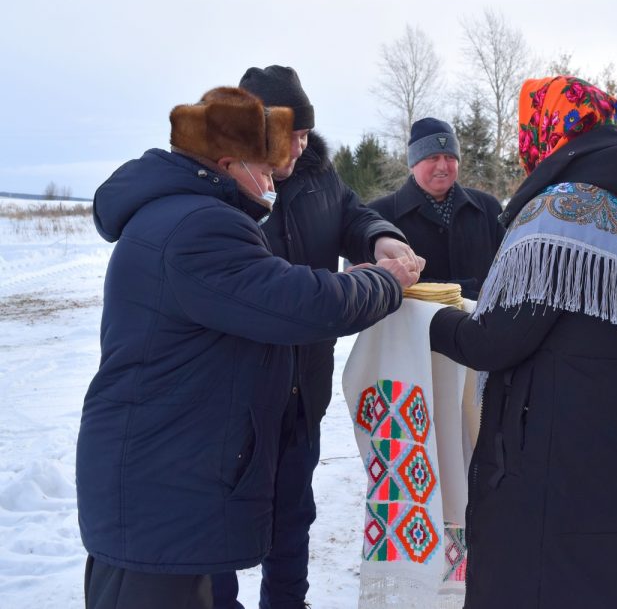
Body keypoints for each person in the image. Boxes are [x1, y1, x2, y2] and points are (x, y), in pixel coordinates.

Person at [77, 85, 420, 609]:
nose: (272, 181)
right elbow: (300, 303)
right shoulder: (201, 226)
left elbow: (344, 217)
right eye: (264, 167)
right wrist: (385, 281)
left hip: (166, 480)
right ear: (226, 162)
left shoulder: (178, 210)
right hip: (163, 495)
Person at [428, 76, 617, 608]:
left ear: (545, 132)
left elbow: (494, 342)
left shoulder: (563, 212)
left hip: (562, 471)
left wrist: (427, 319)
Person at [210, 66, 422, 609]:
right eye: (290, 135)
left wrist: (382, 240)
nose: (299, 147)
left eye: (306, 135)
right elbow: (278, 298)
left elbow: (354, 215)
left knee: (293, 514)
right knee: (220, 526)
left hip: (303, 386)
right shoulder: (222, 190)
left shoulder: (317, 176)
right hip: (236, 396)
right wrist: (370, 287)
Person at [368, 117, 506, 300]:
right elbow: (371, 288)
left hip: (483, 324)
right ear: (413, 164)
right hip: (412, 326)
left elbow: (509, 270)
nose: (442, 166)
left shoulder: (488, 208)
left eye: (450, 157)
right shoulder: (379, 216)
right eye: (432, 157)